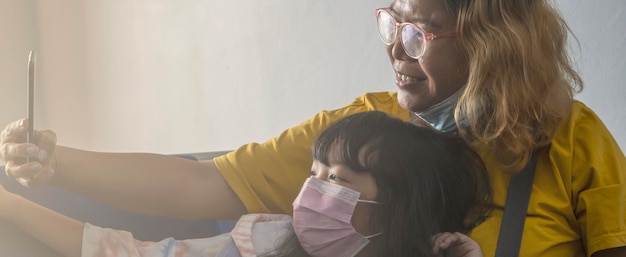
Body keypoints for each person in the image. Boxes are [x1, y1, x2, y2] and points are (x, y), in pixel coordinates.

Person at [1, 0, 625, 256]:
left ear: (493, 39)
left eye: (417, 32)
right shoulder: (355, 132)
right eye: (388, 23)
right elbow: (200, 188)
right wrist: (54, 167)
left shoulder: (571, 138)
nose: (395, 51)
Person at [0, 111, 490, 257]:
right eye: (313, 175)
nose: (313, 193)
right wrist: (10, 204)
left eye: (337, 179)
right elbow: (123, 251)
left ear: (399, 205)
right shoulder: (262, 242)